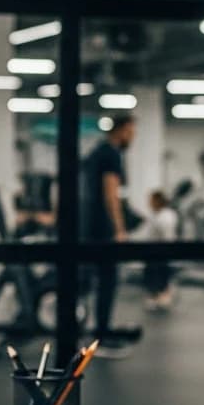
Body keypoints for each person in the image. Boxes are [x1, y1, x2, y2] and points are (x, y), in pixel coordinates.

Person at [80, 114, 142, 358]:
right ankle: (101, 336)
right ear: (121, 130)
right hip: (102, 228)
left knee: (94, 280)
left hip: (89, 226)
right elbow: (111, 195)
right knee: (107, 280)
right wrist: (119, 229)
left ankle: (97, 330)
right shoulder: (111, 154)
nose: (132, 137)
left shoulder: (96, 152)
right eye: (131, 132)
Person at [141, 190, 179, 310]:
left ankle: (163, 295)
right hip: (152, 251)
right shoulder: (153, 214)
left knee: (162, 274)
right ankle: (154, 296)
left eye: (151, 200)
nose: (149, 203)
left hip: (162, 251)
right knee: (151, 275)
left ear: (158, 201)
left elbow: (168, 236)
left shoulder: (167, 215)